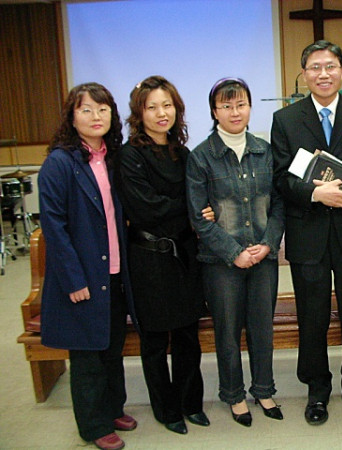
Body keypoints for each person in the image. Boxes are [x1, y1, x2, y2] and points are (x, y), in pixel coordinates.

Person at [271, 40, 342, 425]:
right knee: (312, 317)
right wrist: (315, 194)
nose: (323, 74)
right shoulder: (286, 120)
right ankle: (317, 390)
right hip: (308, 234)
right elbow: (281, 177)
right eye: (315, 67)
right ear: (304, 73)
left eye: (330, 66)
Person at [38, 82, 138, 450]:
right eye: (86, 110)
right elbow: (53, 226)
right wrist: (73, 279)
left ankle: (113, 409)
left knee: (111, 347)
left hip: (114, 271)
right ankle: (94, 425)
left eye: (103, 109)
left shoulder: (112, 158)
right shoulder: (59, 163)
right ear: (72, 116)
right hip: (83, 276)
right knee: (87, 355)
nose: (96, 116)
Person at [187, 77, 285, 427]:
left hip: (263, 257)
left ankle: (264, 390)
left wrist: (268, 243)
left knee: (262, 328)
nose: (234, 112)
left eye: (240, 104)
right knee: (227, 331)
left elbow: (279, 205)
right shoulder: (201, 157)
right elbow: (198, 218)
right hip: (221, 263)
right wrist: (234, 253)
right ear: (214, 111)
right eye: (226, 106)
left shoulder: (264, 150)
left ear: (250, 107)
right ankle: (233, 394)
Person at [116, 76, 211, 435]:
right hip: (149, 258)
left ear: (177, 109)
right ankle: (166, 410)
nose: (161, 113)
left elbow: (199, 202)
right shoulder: (129, 155)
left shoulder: (183, 154)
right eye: (152, 106)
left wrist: (193, 210)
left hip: (185, 256)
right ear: (139, 113)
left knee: (188, 336)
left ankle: (191, 403)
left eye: (167, 105)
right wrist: (190, 209)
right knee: (156, 341)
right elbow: (146, 209)